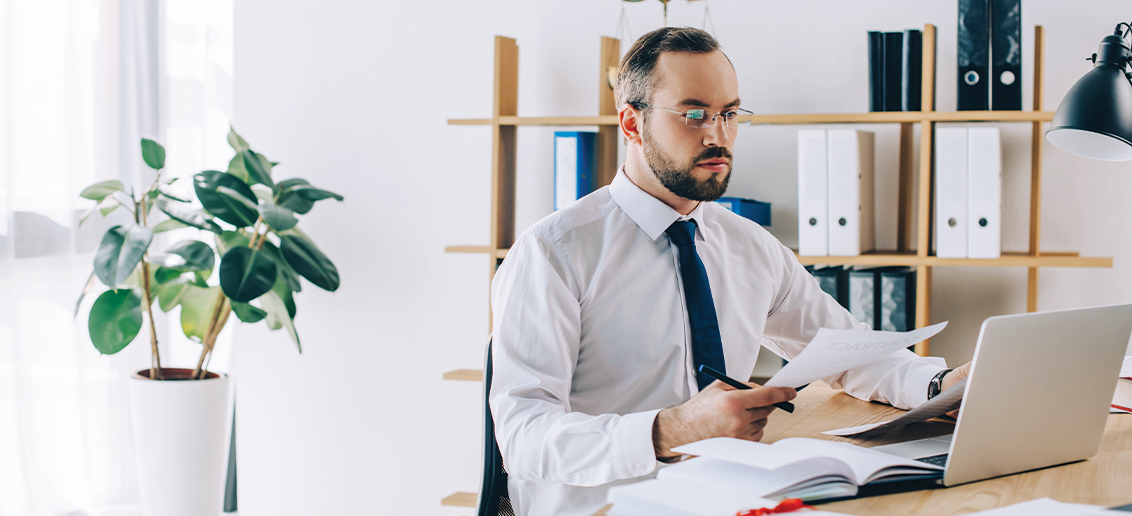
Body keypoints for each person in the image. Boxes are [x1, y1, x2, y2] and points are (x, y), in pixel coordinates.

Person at [488, 27, 971, 516]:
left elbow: (846, 350)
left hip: (728, 495)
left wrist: (937, 386)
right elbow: (524, 436)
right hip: (603, 505)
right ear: (632, 124)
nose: (717, 135)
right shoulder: (553, 253)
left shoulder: (750, 245)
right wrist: (670, 430)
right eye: (693, 114)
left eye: (729, 114)